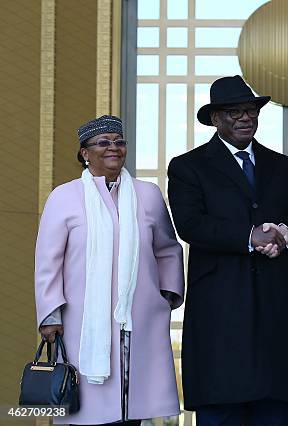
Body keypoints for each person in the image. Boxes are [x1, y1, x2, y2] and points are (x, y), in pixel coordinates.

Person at [167, 75, 288, 426]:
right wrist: (250, 236)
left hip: (277, 309)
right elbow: (191, 225)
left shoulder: (282, 166)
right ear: (215, 119)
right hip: (221, 312)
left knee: (273, 410)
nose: (245, 118)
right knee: (222, 409)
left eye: (250, 110)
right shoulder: (188, 166)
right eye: (233, 112)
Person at [35, 115, 185, 425]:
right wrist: (50, 314)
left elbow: (168, 248)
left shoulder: (148, 194)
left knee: (132, 409)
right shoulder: (63, 197)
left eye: (119, 142)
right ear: (84, 153)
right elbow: (48, 262)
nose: (113, 148)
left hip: (139, 322)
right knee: (88, 411)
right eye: (103, 143)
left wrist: (167, 295)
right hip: (80, 323)